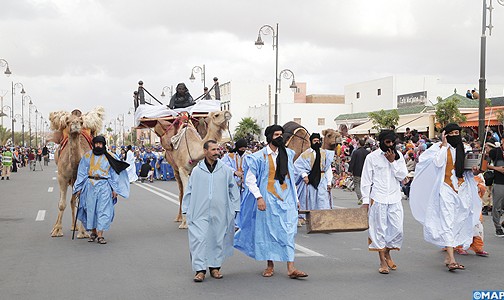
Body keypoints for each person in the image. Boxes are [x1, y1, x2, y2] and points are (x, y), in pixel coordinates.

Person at [234, 125, 308, 279]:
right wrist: (259, 197)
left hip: (286, 199)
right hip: (267, 200)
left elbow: (291, 177)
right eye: (276, 134)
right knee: (268, 232)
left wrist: (296, 198)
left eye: (281, 134)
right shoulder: (258, 157)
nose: (280, 137)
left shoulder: (288, 154)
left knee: (288, 232)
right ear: (269, 137)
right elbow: (250, 180)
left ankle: (291, 267)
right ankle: (270, 265)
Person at [409, 123, 482, 271]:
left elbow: (470, 172)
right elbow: (437, 163)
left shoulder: (466, 149)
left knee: (458, 221)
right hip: (446, 190)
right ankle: (452, 259)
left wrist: (475, 170)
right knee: (448, 222)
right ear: (445, 135)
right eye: (452, 133)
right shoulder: (437, 149)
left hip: (463, 190)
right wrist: (443, 145)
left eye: (457, 133)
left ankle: (449, 256)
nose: (455, 135)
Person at [182, 140, 240, 282]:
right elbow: (189, 191)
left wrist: (234, 208)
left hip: (220, 211)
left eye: (218, 149)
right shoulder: (197, 171)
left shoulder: (225, 170)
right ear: (205, 151)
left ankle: (215, 267)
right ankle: (200, 270)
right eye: (213, 149)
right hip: (198, 211)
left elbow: (233, 190)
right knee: (199, 240)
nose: (216, 152)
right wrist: (186, 209)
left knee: (217, 239)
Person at [360, 130, 408, 274]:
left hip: (394, 198)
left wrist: (393, 162)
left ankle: (387, 251)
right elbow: (366, 180)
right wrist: (365, 201)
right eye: (387, 142)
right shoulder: (372, 158)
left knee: (397, 229)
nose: (391, 145)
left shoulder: (398, 157)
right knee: (379, 230)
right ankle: (382, 261)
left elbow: (402, 177)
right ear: (381, 142)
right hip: (378, 198)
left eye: (393, 142)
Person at [73, 136, 130, 245]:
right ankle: (93, 232)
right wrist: (79, 187)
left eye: (100, 144)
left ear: (104, 145)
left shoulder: (111, 157)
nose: (98, 145)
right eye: (96, 144)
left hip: (104, 186)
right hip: (90, 185)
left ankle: (100, 235)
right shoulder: (87, 156)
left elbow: (114, 174)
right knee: (90, 210)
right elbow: (81, 172)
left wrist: (115, 189)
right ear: (94, 144)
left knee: (103, 210)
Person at [294, 133, 334, 222]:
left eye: (318, 141)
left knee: (322, 199)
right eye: (314, 141)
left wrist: (329, 182)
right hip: (310, 180)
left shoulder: (325, 154)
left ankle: (323, 218)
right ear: (311, 142)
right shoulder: (305, 154)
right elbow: (298, 166)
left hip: (322, 180)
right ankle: (308, 217)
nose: (317, 142)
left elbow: (328, 168)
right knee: (310, 199)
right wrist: (304, 175)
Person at [485, 140, 504, 236]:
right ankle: (498, 227)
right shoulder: (495, 152)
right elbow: (485, 164)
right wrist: (498, 169)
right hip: (499, 182)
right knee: (497, 206)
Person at [348, 138, 370, 205]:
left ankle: (360, 198)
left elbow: (352, 162)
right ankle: (365, 198)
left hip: (357, 171)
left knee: (356, 184)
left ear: (359, 144)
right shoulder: (367, 153)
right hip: (365, 171)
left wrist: (350, 170)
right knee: (363, 185)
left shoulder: (356, 152)